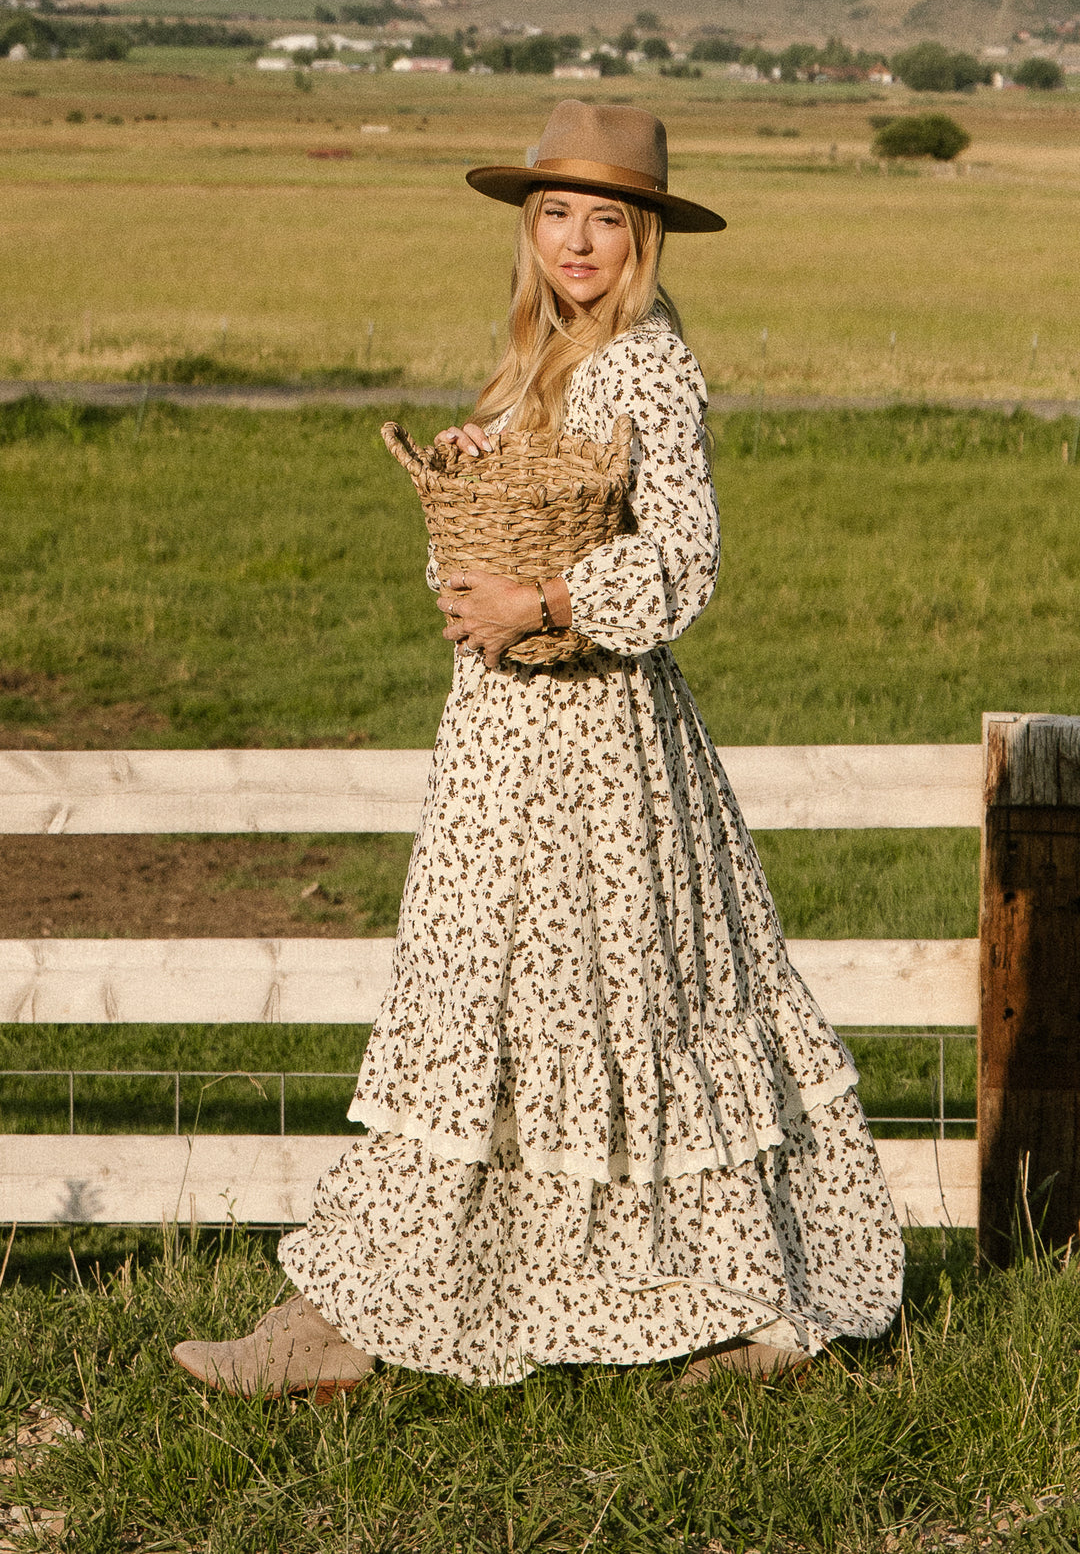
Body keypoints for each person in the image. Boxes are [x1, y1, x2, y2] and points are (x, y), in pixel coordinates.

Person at [173, 100, 903, 1399]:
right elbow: (487, 550)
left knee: (596, 1013)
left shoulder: (642, 365)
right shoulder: (539, 358)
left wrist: (548, 604)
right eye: (557, 213)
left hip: (590, 755)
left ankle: (746, 1310)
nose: (577, 240)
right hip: (504, 749)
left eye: (606, 219)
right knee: (498, 1015)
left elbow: (681, 563)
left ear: (644, 237)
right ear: (530, 226)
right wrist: (472, 485)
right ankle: (357, 1314)